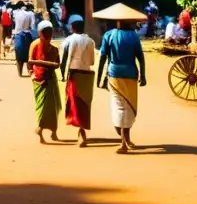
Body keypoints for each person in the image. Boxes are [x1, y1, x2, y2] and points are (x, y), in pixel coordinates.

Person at [97, 19, 146, 154]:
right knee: (129, 106)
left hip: (115, 74)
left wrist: (99, 77)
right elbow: (140, 57)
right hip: (131, 73)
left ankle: (123, 141)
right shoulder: (133, 36)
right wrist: (143, 75)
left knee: (118, 106)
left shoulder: (109, 35)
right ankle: (126, 138)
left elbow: (103, 57)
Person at [60, 14, 95, 147]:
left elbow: (65, 59)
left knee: (75, 103)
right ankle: (82, 129)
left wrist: (63, 74)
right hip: (86, 74)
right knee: (85, 103)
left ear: (73, 27)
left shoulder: (69, 40)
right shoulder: (90, 41)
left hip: (74, 73)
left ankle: (81, 132)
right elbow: (92, 61)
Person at [28, 19, 61, 143]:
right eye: (45, 33)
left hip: (51, 79)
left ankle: (54, 131)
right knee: (42, 107)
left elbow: (57, 64)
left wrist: (52, 64)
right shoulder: (35, 44)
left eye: (50, 33)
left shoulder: (54, 49)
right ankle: (40, 128)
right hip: (39, 79)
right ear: (40, 33)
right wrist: (32, 74)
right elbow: (30, 62)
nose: (48, 36)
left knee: (53, 107)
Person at [12, 1, 35, 76]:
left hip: (18, 35)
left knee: (18, 56)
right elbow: (32, 26)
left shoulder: (15, 13)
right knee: (29, 54)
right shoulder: (30, 14)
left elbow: (14, 23)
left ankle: (20, 73)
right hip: (27, 35)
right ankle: (30, 72)